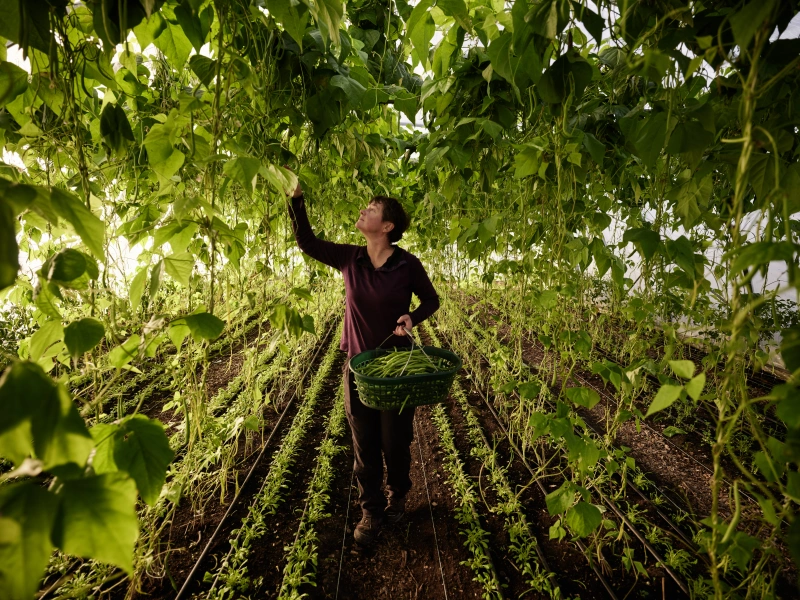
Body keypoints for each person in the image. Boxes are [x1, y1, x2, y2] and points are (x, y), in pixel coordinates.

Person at [286, 176, 440, 545]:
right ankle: (370, 510)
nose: (363, 211)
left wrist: (412, 318)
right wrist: (296, 200)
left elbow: (431, 300)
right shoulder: (349, 257)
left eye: (371, 209)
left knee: (395, 442)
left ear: (387, 226)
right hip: (358, 367)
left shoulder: (407, 265)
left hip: (396, 371)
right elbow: (306, 242)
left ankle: (397, 495)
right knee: (365, 445)